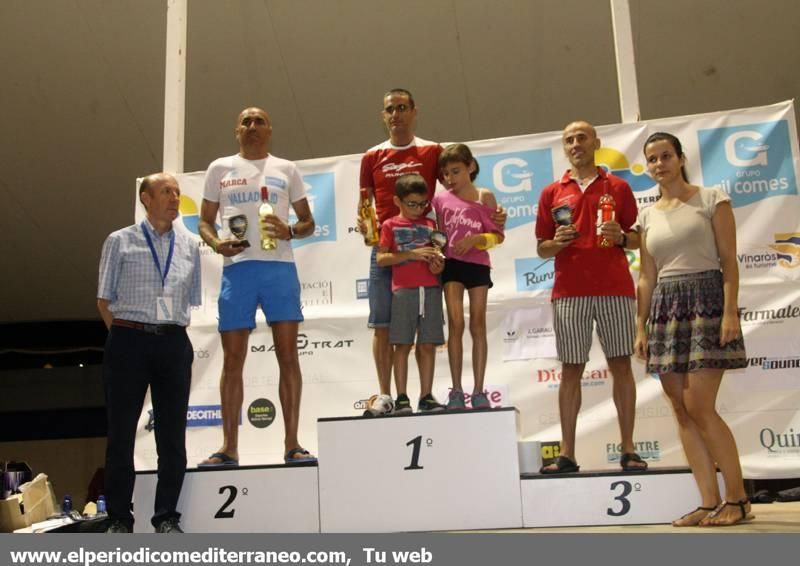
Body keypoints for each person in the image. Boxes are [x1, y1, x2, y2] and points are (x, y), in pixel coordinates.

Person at [635, 132, 751, 527]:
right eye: (652, 159)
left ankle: (737, 499)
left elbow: (729, 261)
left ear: (681, 158)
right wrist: (641, 325)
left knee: (700, 405)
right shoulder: (647, 216)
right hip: (665, 310)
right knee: (681, 409)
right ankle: (707, 501)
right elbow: (647, 276)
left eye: (666, 156)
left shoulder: (711, 199)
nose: (659, 164)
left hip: (706, 302)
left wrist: (730, 311)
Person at [197, 107, 317, 466]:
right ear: (237, 130)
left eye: (259, 121)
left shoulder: (287, 168)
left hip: (279, 269)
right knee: (233, 360)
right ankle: (229, 447)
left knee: (288, 358)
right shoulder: (219, 168)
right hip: (238, 270)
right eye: (246, 122)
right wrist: (217, 243)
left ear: (269, 130)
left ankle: (292, 443)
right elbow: (204, 221)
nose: (252, 126)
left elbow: (308, 221)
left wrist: (291, 230)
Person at [535, 120, 647, 474]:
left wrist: (620, 237)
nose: (575, 143)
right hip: (569, 292)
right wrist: (557, 243)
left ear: (596, 142)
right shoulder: (552, 192)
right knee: (571, 370)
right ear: (564, 147)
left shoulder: (619, 186)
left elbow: (636, 239)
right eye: (568, 139)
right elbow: (541, 248)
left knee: (621, 366)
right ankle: (567, 453)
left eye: (582, 137)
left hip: (615, 288)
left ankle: (628, 449)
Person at [97, 172, 201, 533]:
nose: (174, 198)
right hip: (129, 338)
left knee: (172, 436)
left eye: (177, 192)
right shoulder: (119, 240)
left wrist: (161, 335)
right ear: (146, 198)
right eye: (166, 192)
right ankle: (120, 520)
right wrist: (129, 337)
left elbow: (193, 298)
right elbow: (103, 299)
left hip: (173, 341)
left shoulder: (189, 246)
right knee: (121, 434)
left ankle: (167, 517)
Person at [358, 88, 443, 414]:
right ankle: (385, 395)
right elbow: (363, 204)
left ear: (414, 111)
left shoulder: (432, 151)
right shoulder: (371, 156)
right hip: (385, 249)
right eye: (390, 109)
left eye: (402, 107)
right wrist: (371, 231)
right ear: (384, 116)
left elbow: (451, 193)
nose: (396, 114)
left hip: (424, 248)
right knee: (382, 324)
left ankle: (425, 394)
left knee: (424, 327)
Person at [433, 144, 504, 410]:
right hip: (451, 266)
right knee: (455, 324)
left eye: (456, 171)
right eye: (446, 174)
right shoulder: (439, 200)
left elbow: (497, 235)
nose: (451, 178)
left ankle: (478, 390)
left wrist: (476, 239)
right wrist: (436, 253)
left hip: (478, 267)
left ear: (471, 167)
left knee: (477, 325)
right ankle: (456, 391)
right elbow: (436, 234)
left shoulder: (485, 196)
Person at [376, 173, 446, 412]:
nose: (418, 209)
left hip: (431, 289)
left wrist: (438, 266)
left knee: (427, 344)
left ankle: (426, 396)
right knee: (402, 344)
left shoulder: (431, 226)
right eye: (412, 204)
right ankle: (402, 397)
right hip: (404, 291)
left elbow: (439, 258)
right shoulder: (390, 225)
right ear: (398, 201)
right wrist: (411, 255)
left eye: (422, 204)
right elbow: (382, 258)